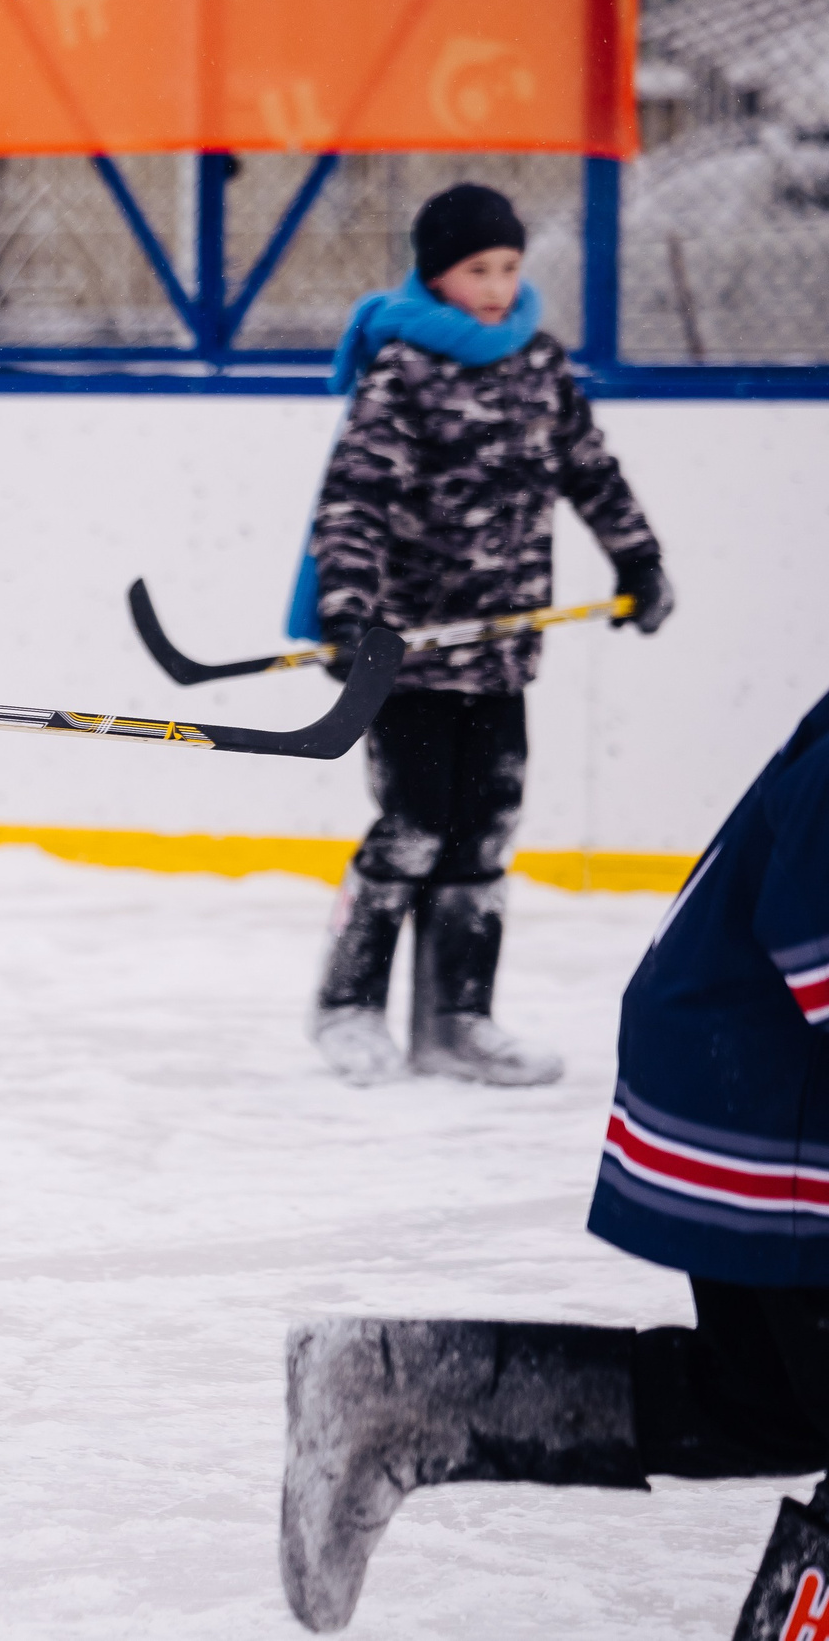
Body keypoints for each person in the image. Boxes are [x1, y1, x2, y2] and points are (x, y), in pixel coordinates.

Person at [278, 687, 829, 1634]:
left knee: (770, 1398)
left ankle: (404, 1389)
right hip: (770, 1109)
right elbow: (809, 906)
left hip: (750, 1084)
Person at [303, 183, 675, 1089]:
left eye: (510, 266)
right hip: (412, 654)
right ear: (438, 274)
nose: (499, 285)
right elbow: (356, 500)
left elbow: (590, 470)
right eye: (479, 269)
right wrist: (347, 613)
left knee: (487, 827)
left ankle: (458, 1020)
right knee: (415, 824)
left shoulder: (540, 365)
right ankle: (348, 1006)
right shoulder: (404, 367)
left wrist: (639, 560)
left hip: (503, 648)